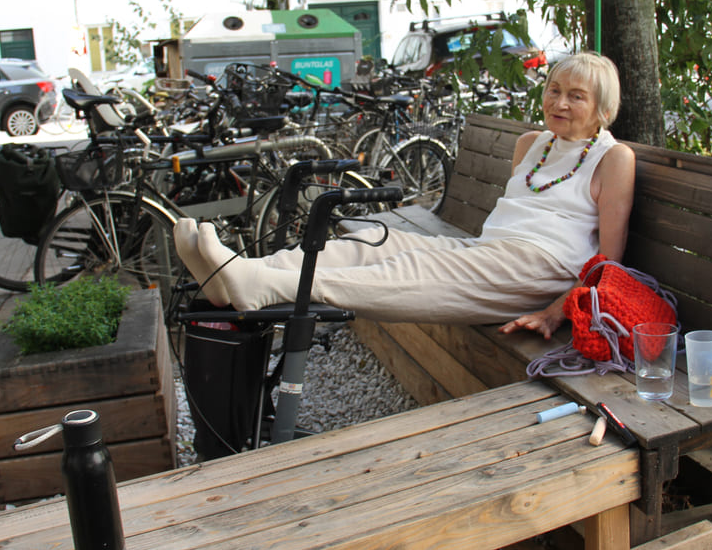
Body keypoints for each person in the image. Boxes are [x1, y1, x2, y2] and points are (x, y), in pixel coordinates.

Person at [174, 51, 636, 339]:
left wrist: (557, 311)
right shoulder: (530, 144)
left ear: (603, 109)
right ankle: (242, 273)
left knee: (413, 267)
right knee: (374, 243)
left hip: (542, 270)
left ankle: (260, 287)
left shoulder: (612, 160)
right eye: (554, 90)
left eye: (576, 96)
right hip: (491, 255)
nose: (558, 102)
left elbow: (609, 264)